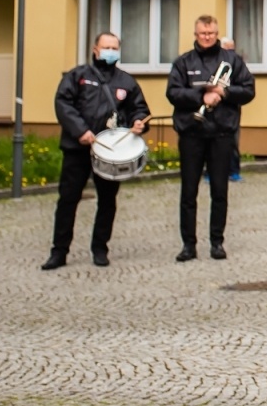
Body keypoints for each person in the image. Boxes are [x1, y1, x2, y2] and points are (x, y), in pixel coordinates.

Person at [43, 31, 150, 270]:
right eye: (106, 47)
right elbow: (63, 103)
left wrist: (140, 121)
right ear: (95, 49)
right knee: (68, 200)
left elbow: (139, 108)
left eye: (114, 48)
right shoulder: (78, 75)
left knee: (107, 201)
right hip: (78, 148)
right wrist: (80, 130)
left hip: (111, 151)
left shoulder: (126, 81)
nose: (110, 52)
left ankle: (100, 248)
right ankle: (59, 251)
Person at [166, 15, 255, 261]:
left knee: (219, 190)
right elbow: (172, 92)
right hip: (191, 133)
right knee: (188, 192)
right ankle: (188, 245)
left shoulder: (231, 60)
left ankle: (217, 242)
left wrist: (223, 93)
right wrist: (200, 97)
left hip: (222, 133)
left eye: (211, 33)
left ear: (217, 34)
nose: (207, 37)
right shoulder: (183, 62)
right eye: (203, 34)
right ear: (196, 34)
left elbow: (248, 90)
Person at [221, 37, 244, 182]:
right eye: (227, 49)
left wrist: (227, 91)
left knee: (232, 140)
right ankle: (210, 172)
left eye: (232, 49)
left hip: (232, 107)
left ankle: (234, 171)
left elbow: (243, 87)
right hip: (215, 107)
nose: (230, 53)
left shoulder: (237, 64)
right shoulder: (214, 62)